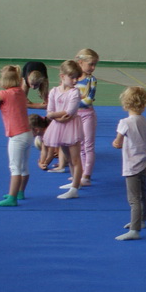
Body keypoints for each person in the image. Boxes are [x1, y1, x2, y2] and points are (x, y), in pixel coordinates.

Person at [0, 65, 33, 207]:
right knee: (24, 166)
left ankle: (12, 198)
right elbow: (4, 106)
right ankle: (20, 192)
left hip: (17, 135)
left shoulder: (4, 93)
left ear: (3, 82)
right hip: (28, 134)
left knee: (14, 167)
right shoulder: (20, 92)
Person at [113, 86, 146, 241]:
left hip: (133, 164)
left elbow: (118, 142)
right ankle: (142, 219)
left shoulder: (125, 122)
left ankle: (135, 229)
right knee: (143, 193)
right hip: (145, 161)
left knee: (134, 198)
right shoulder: (144, 120)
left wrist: (116, 143)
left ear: (126, 104)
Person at [43, 61, 84, 200]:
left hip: (71, 127)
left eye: (77, 78)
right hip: (59, 127)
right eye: (72, 77)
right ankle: (74, 182)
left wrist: (54, 115)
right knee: (68, 158)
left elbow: (70, 111)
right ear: (62, 76)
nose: (75, 81)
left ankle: (75, 189)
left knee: (75, 158)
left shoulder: (75, 92)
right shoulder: (54, 91)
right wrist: (57, 117)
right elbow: (50, 110)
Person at [73, 48, 99, 187]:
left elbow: (88, 100)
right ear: (80, 62)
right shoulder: (73, 79)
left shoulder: (91, 80)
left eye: (95, 65)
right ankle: (81, 172)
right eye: (91, 64)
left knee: (88, 145)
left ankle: (87, 175)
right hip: (76, 115)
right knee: (80, 145)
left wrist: (73, 101)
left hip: (87, 115)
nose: (93, 68)